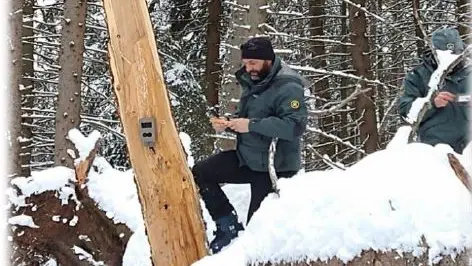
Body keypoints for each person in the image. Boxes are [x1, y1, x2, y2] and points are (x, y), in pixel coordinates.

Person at [192, 37, 308, 254]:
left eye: (253, 63)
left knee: (259, 234)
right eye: (246, 62)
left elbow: (294, 127)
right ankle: (228, 227)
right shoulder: (255, 79)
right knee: (202, 172)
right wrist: (229, 123)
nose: (248, 68)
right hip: (247, 158)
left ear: (267, 60)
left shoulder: (289, 86)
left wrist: (251, 125)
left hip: (275, 167)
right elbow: (249, 116)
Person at [399, 27, 470, 154]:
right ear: (435, 53)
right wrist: (431, 103)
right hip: (435, 151)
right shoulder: (418, 76)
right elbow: (406, 112)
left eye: (456, 54)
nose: (452, 60)